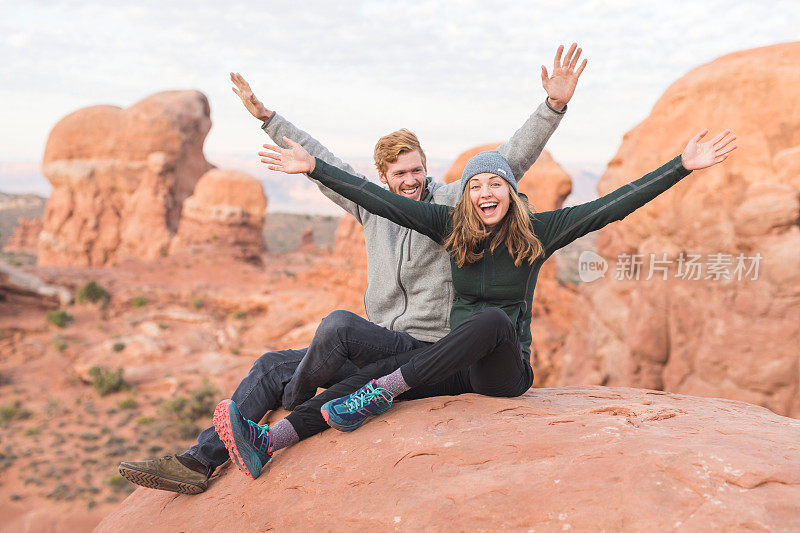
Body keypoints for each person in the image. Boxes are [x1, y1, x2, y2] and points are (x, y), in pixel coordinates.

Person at [118, 44, 587, 494]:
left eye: (417, 171)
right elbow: (326, 163)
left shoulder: (448, 204)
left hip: (421, 350)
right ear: (382, 178)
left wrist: (552, 106)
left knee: (336, 327)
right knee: (268, 365)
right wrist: (268, 119)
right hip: (377, 341)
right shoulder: (372, 207)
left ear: (427, 170)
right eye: (400, 174)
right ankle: (199, 462)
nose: (410, 181)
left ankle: (297, 403)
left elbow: (508, 160)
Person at [213, 128, 737, 480]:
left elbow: (613, 205)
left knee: (486, 321)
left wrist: (681, 167)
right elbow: (380, 200)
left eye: (496, 182)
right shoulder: (449, 227)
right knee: (359, 384)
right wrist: (316, 170)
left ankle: (386, 389)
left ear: (510, 191)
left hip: (503, 374)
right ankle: (271, 438)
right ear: (465, 195)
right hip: (450, 366)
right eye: (476, 184)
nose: (487, 190)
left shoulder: (540, 230)